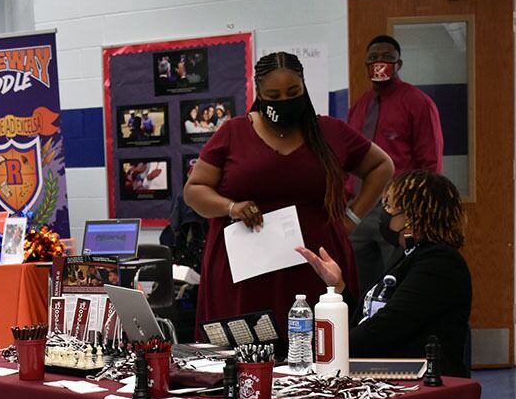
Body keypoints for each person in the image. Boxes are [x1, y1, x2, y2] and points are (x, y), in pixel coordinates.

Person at [184, 51, 394, 347]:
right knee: (245, 360)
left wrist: (353, 217)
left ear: (304, 87)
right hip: (245, 273)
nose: (284, 100)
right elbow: (194, 191)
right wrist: (230, 207)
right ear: (259, 93)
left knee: (320, 355)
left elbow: (382, 166)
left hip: (315, 268)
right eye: (274, 94)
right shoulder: (233, 133)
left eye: (293, 92)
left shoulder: (330, 131)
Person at [297, 170, 472, 377]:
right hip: (385, 376)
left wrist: (324, 352)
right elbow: (368, 319)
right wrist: (339, 286)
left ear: (412, 216)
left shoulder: (440, 264)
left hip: (418, 385)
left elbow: (386, 328)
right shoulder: (406, 255)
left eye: (389, 206)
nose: (383, 212)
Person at [347, 35, 444, 292]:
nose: (380, 63)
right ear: (366, 65)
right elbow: (348, 159)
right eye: (373, 59)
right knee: (359, 285)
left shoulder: (418, 103)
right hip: (358, 208)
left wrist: (419, 211)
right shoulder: (359, 107)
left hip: (398, 209)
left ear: (399, 64)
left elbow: (430, 163)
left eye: (387, 58)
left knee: (396, 282)